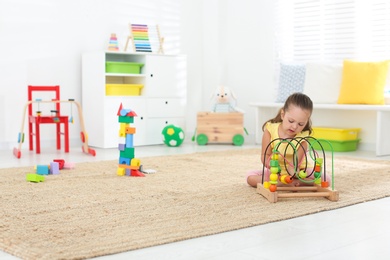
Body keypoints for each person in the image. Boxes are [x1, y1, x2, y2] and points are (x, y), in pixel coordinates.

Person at [247, 92, 314, 188]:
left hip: (297, 170)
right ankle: (287, 182)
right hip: (276, 171)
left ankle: (289, 181)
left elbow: (294, 166)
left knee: (323, 178)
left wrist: (295, 173)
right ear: (283, 115)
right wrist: (273, 167)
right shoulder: (270, 130)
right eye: (291, 121)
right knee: (250, 178)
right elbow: (265, 155)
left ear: (306, 122)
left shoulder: (302, 139)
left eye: (301, 124)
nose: (294, 126)